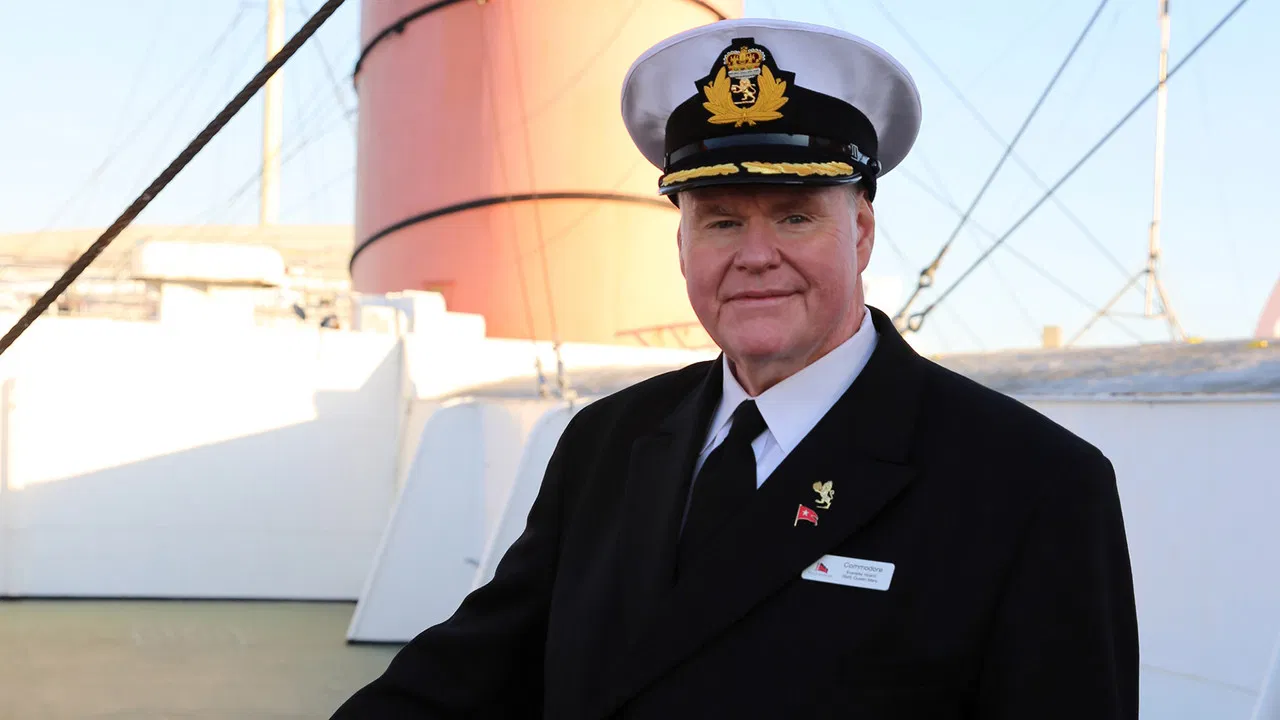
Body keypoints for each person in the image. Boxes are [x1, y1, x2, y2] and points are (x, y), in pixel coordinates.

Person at [331, 17, 1139, 719]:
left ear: (860, 233)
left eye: (794, 216)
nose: (755, 256)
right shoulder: (606, 443)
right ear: (682, 245)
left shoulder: (1031, 486)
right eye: (720, 221)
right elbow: (472, 677)